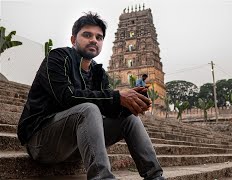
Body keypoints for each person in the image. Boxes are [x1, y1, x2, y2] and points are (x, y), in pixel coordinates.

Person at [17, 12, 164, 180]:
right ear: (73, 40)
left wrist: (131, 104)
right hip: (41, 142)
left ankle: (155, 176)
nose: (94, 40)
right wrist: (117, 97)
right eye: (87, 35)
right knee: (88, 109)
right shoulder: (58, 58)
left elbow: (108, 110)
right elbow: (67, 97)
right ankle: (102, 177)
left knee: (129, 118)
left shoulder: (98, 73)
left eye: (99, 37)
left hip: (76, 146)